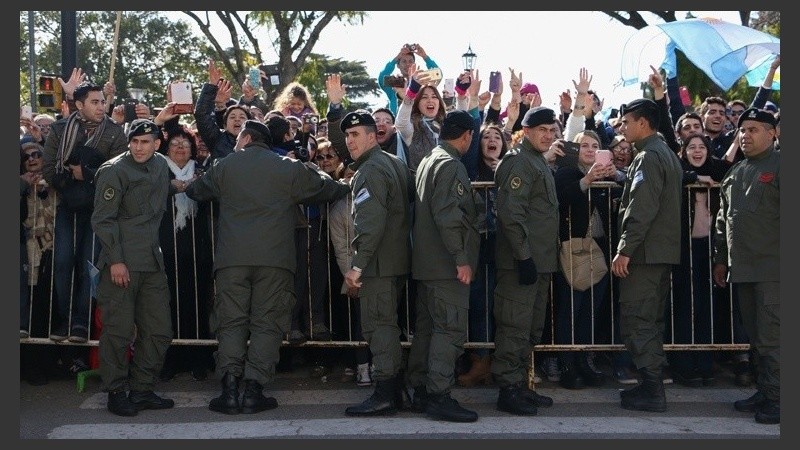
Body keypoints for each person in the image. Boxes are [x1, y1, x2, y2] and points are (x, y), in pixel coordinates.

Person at [185, 120, 350, 415]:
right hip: (275, 260)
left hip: (232, 259)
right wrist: (345, 185)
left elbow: (196, 190)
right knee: (267, 324)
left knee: (231, 322)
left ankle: (229, 388)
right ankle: (253, 391)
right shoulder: (286, 167)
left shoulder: (227, 165)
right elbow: (325, 189)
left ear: (246, 138)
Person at [91, 119, 175, 417]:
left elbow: (165, 191)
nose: (139, 147)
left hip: (152, 260)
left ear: (157, 143)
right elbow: (103, 219)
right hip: (122, 261)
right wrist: (115, 260)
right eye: (135, 141)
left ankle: (142, 388)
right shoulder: (114, 170)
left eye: (145, 142)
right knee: (118, 330)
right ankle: (116, 391)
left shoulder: (161, 166)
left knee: (158, 329)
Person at [405, 110, 483, 423]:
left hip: (428, 264)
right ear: (467, 135)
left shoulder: (428, 160)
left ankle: (420, 389)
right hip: (446, 266)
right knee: (448, 330)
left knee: (427, 330)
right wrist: (461, 259)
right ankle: (438, 394)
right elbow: (450, 216)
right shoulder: (451, 165)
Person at [42, 78, 128, 343]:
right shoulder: (59, 129)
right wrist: (69, 177)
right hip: (66, 207)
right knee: (63, 262)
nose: (101, 106)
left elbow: (119, 173)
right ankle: (63, 320)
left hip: (99, 210)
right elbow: (48, 170)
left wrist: (86, 173)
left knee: (88, 265)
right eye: (94, 102)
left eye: (102, 101)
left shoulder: (114, 132)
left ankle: (80, 321)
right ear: (79, 105)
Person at [611, 98, 683, 413]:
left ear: (642, 123)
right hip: (657, 252)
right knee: (649, 320)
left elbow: (641, 208)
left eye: (626, 122)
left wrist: (625, 249)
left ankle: (653, 390)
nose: (622, 127)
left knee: (639, 320)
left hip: (644, 253)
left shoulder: (648, 157)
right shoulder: (662, 153)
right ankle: (648, 384)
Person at [341, 110, 414, 417]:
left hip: (378, 265)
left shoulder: (369, 170)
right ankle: (395, 393)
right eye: (347, 135)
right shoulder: (395, 163)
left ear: (372, 136)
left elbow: (370, 224)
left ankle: (385, 394)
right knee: (388, 326)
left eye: (355, 134)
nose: (349, 141)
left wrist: (357, 267)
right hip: (396, 260)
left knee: (379, 328)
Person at [491, 106, 561, 416]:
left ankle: (519, 383)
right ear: (527, 131)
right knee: (514, 326)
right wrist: (523, 257)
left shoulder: (536, 161)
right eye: (542, 130)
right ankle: (508, 389)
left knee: (531, 328)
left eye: (552, 130)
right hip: (522, 261)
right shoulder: (519, 161)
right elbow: (511, 213)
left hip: (540, 261)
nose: (548, 135)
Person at [713, 108, 780, 425]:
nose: (745, 135)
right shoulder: (737, 171)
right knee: (757, 337)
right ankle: (766, 391)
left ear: (773, 133)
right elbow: (723, 221)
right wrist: (720, 259)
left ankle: (780, 399)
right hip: (743, 269)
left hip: (775, 271)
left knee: (774, 338)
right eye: (742, 130)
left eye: (754, 129)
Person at [552, 130, 616, 390]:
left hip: (600, 251)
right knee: (570, 309)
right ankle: (568, 364)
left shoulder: (608, 176)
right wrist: (588, 180)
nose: (590, 150)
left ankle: (585, 361)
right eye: (584, 146)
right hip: (574, 250)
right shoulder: (567, 173)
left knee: (591, 310)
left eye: (595, 146)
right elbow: (563, 198)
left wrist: (614, 179)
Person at [667, 133, 729, 387]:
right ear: (683, 151)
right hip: (683, 250)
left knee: (706, 306)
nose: (697, 151)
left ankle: (704, 363)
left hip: (709, 249)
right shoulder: (680, 172)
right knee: (683, 307)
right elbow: (673, 173)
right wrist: (695, 178)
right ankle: (682, 365)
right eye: (691, 147)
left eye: (701, 146)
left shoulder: (717, 171)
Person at [377, 43, 439, 115]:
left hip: (418, 123)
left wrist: (425, 56)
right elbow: (382, 78)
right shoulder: (396, 84)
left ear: (414, 64)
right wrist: (397, 57)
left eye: (410, 61)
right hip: (397, 124)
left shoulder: (421, 82)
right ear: (398, 65)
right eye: (404, 61)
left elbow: (438, 74)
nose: (408, 64)